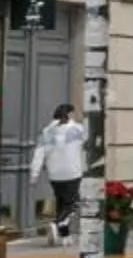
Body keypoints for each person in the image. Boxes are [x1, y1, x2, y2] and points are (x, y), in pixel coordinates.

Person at [28, 103, 88, 241]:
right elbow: (88, 147)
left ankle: (64, 235)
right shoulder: (78, 130)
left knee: (62, 202)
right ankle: (57, 223)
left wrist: (34, 174)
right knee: (73, 203)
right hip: (72, 172)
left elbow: (39, 154)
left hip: (54, 174)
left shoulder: (46, 132)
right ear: (69, 114)